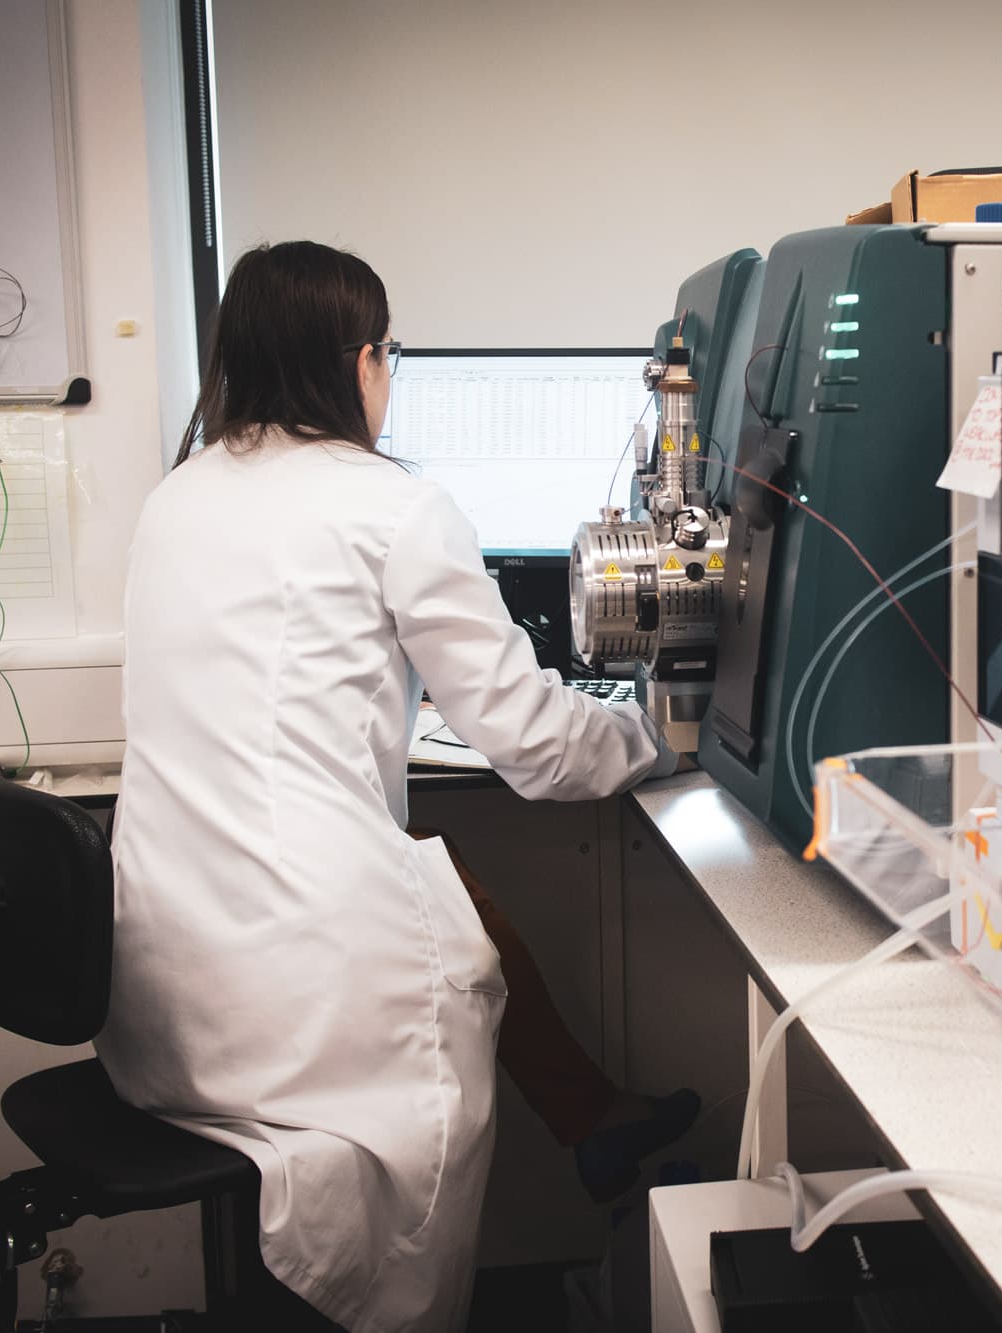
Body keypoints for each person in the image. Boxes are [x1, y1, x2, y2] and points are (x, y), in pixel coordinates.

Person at [96, 241, 689, 1333]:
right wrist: (659, 735)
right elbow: (534, 746)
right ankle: (583, 1140)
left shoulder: (175, 499)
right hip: (294, 998)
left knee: (447, 880)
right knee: (441, 943)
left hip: (165, 973)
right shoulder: (388, 505)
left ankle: (594, 1119)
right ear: (359, 360)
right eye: (391, 354)